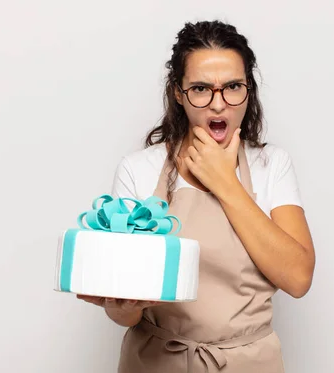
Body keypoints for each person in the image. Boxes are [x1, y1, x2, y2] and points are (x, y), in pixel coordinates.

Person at [77, 20, 316, 373]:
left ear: (249, 89)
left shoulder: (272, 165)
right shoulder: (138, 170)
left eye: (233, 87)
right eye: (201, 88)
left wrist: (225, 182)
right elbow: (123, 314)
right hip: (156, 361)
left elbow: (298, 278)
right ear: (178, 92)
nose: (218, 104)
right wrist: (123, 304)